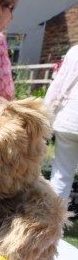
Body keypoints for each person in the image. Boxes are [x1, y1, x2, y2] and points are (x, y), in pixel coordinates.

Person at [45, 44, 78, 202]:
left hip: (68, 119)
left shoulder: (74, 52)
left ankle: (53, 221)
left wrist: (46, 112)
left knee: (61, 174)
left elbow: (58, 86)